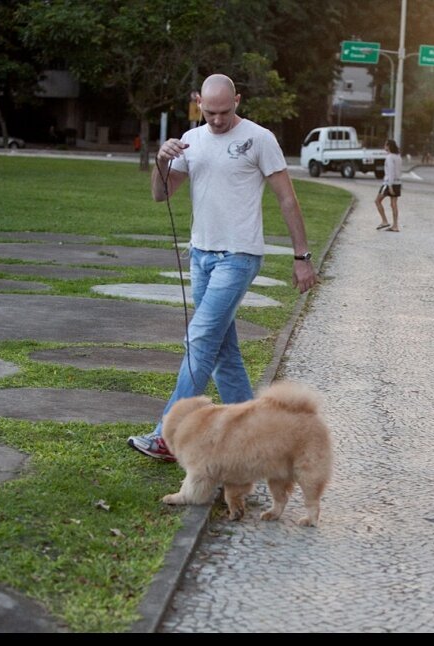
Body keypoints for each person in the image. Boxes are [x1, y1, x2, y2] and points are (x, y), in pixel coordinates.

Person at [127, 73, 317, 461]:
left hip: (239, 256)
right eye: (209, 112)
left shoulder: (259, 139)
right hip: (201, 255)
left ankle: (168, 435)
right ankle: (255, 435)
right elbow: (160, 196)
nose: (216, 120)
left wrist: (302, 257)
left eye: (224, 111)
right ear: (199, 102)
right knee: (222, 350)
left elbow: (287, 199)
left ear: (238, 101)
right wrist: (161, 161)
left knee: (200, 340)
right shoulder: (191, 140)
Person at [374, 139, 403, 232]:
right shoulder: (398, 157)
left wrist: (390, 185)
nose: (384, 146)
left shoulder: (389, 157)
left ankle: (384, 221)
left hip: (388, 183)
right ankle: (395, 226)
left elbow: (390, 172)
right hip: (398, 182)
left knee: (377, 201)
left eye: (385, 145)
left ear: (389, 146)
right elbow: (398, 171)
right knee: (394, 204)